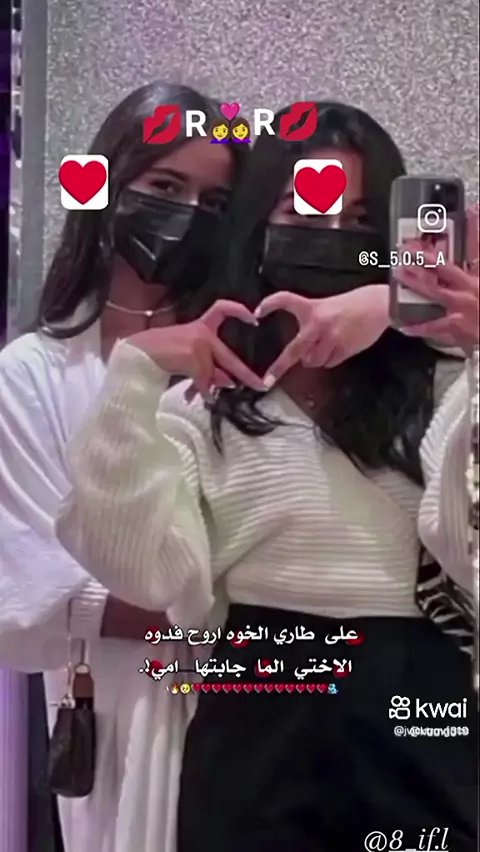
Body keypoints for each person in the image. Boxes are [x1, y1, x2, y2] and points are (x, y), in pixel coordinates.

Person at [54, 102, 478, 851]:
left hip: (420, 696)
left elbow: (468, 549)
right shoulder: (206, 401)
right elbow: (143, 571)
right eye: (302, 210)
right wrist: (137, 371)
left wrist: (429, 325)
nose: (332, 234)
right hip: (258, 697)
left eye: (359, 220)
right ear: (257, 225)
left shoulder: (447, 384)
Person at [0, 80, 250, 852]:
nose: (189, 214)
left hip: (260, 720)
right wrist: (219, 605)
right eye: (166, 187)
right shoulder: (31, 376)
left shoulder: (247, 360)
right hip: (112, 718)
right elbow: (22, 595)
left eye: (215, 202)